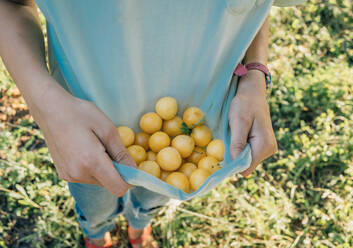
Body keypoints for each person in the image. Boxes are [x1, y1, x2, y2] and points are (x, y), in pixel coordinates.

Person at [0, 0, 305, 247]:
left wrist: (255, 71)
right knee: (94, 202)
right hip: (84, 133)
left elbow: (256, 7)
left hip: (192, 133)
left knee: (157, 191)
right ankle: (96, 233)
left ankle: (139, 226)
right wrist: (46, 105)